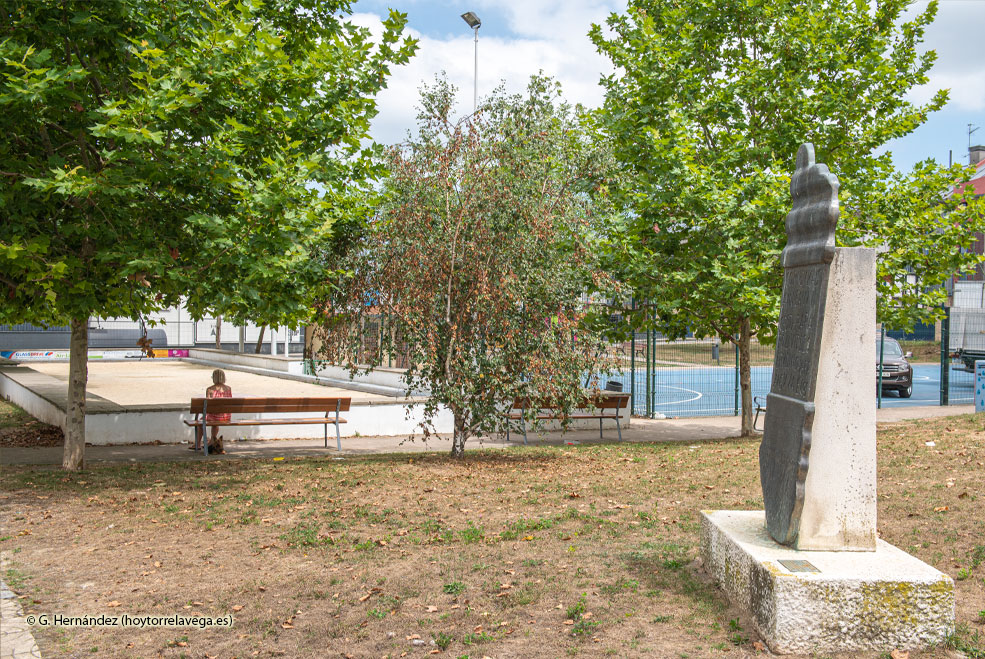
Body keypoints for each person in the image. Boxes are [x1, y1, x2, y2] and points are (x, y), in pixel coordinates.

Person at [193, 369, 231, 453]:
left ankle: (198, 444)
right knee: (215, 421)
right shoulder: (228, 388)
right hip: (225, 416)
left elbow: (208, 405)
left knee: (200, 422)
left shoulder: (210, 389)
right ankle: (211, 441)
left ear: (214, 378)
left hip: (214, 416)